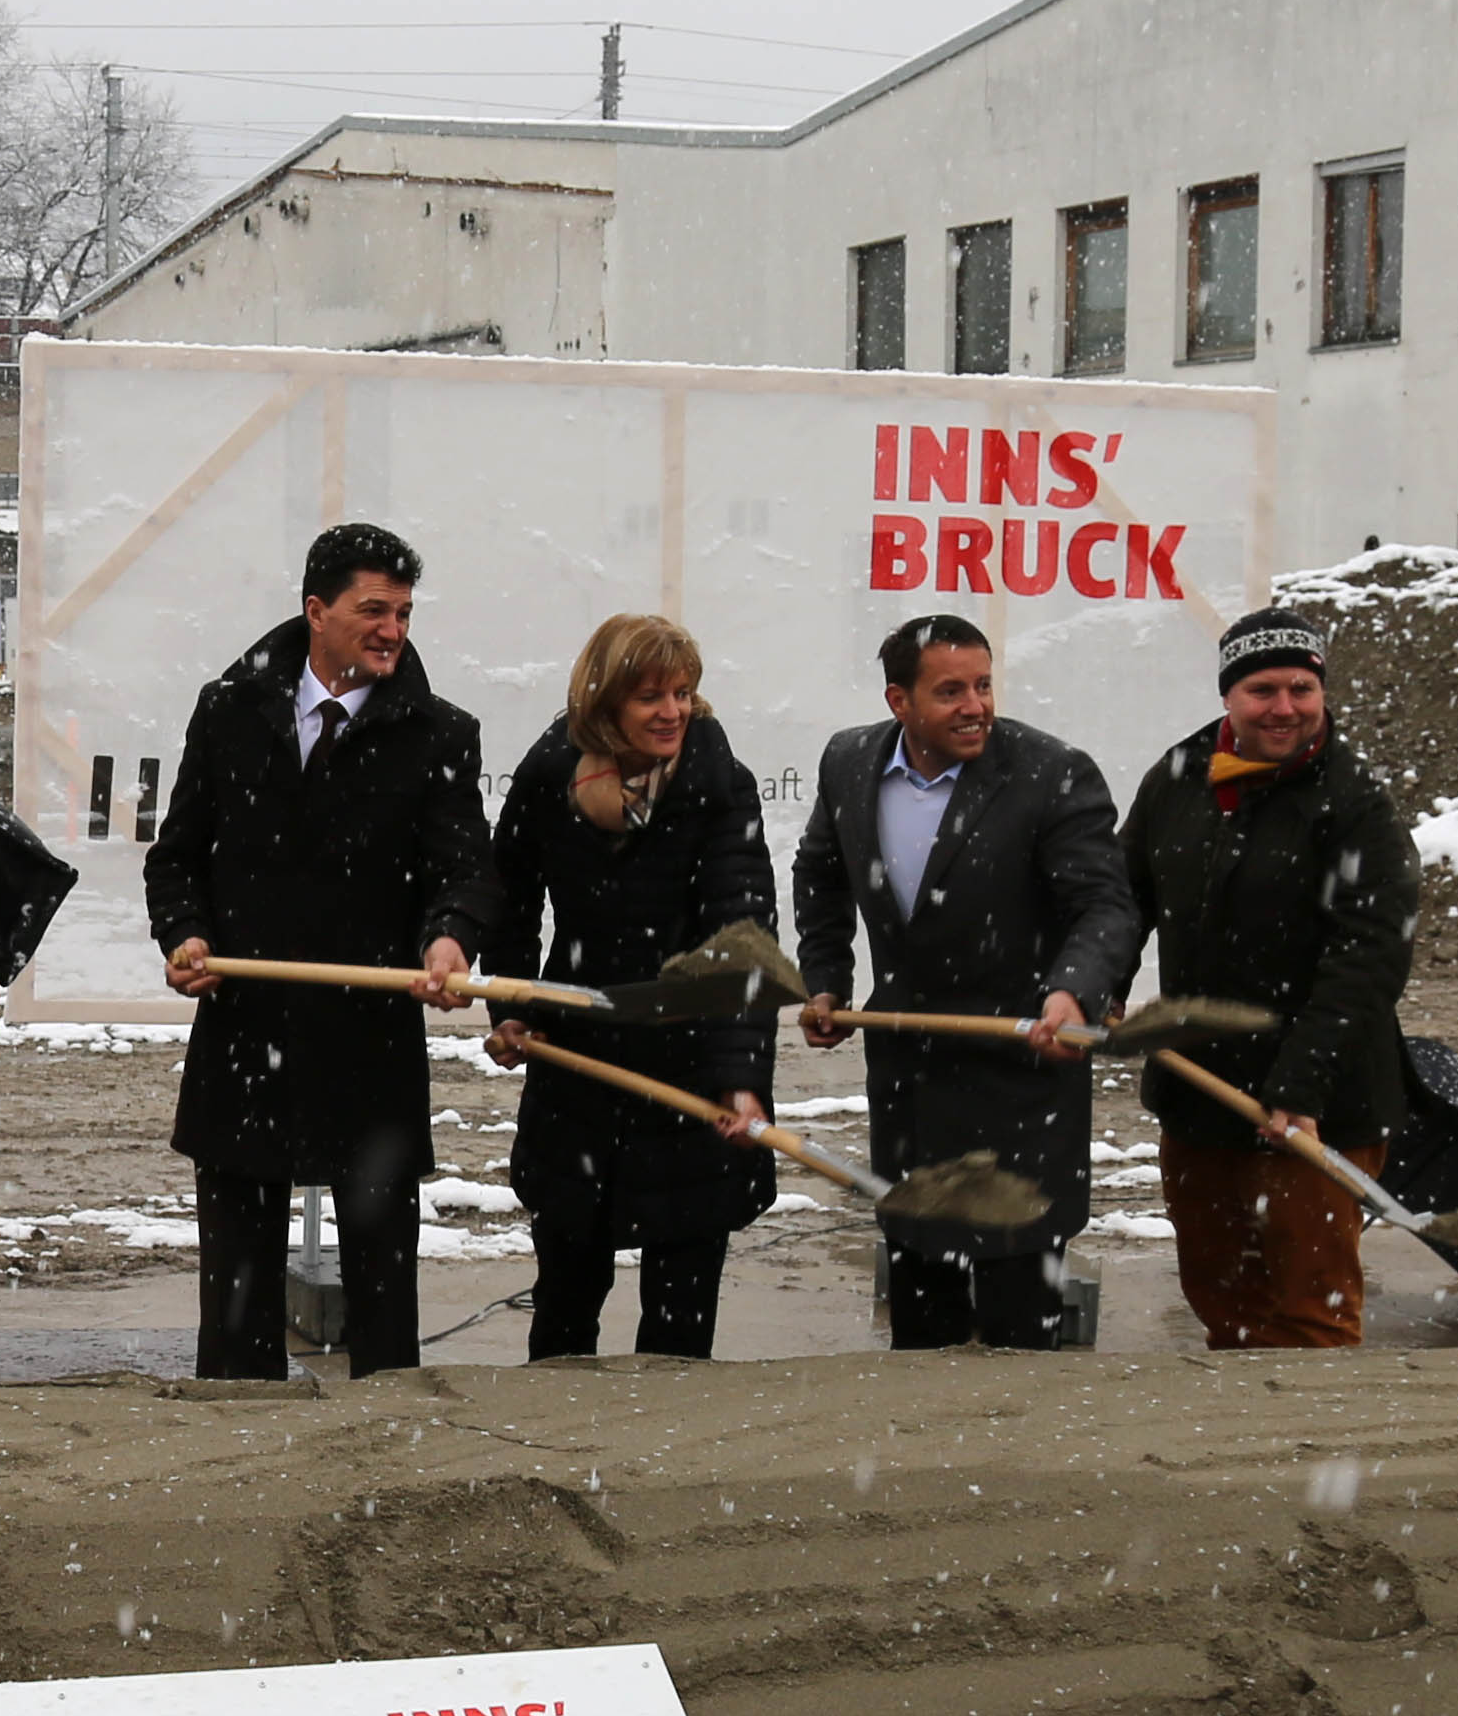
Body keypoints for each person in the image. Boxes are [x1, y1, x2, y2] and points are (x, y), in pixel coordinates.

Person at [150, 520, 495, 1379]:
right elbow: (177, 856)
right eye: (373, 610)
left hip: (368, 1038)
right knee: (235, 1293)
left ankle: (389, 1463)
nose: (392, 630)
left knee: (384, 1288)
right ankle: (239, 1446)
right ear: (316, 610)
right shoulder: (229, 709)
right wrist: (185, 931)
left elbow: (463, 869)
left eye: (404, 614)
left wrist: (448, 939)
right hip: (244, 1027)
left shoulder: (439, 733)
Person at [791, 613, 1141, 1349]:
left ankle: (1017, 1460)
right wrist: (826, 977)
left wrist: (1071, 989)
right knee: (924, 1326)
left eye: (983, 685)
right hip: (911, 1078)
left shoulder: (1050, 773)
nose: (976, 705)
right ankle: (926, 1461)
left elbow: (1103, 905)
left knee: (1019, 1335)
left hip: (1023, 1075)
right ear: (899, 702)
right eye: (950, 690)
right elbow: (819, 872)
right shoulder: (849, 763)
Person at [1119, 604, 1420, 1349]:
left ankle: (1312, 1459)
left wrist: (1300, 1087)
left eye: (1301, 688)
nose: (1284, 707)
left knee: (1309, 1314)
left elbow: (1368, 960)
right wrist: (1093, 987)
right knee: (1225, 1305)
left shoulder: (1354, 804)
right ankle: (1242, 1451)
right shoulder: (1181, 776)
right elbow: (1123, 899)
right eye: (1262, 690)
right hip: (1202, 1092)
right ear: (1228, 695)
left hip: (1320, 1106)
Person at [480, 615, 778, 1359]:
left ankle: (662, 1457)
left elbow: (740, 944)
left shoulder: (717, 785)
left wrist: (741, 1080)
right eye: (650, 696)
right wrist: (514, 1008)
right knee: (565, 1304)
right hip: (578, 1064)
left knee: (679, 1320)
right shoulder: (550, 776)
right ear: (606, 702)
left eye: (683, 693)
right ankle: (552, 1452)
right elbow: (510, 904)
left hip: (690, 1068)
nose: (672, 711)